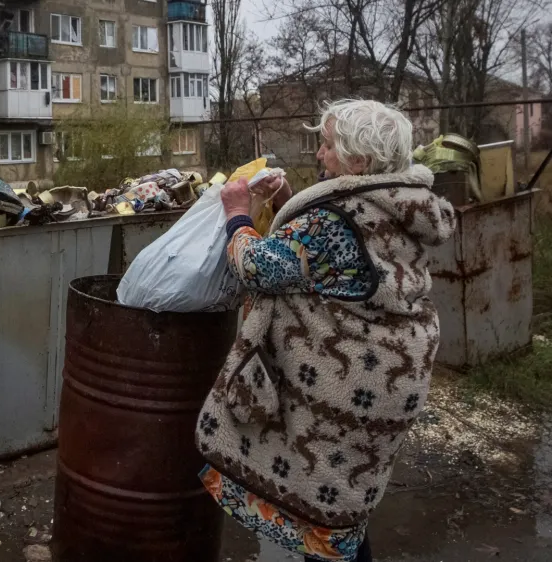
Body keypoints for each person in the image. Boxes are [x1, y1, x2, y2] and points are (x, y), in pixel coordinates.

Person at [195, 99, 457, 562]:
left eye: (327, 144)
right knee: (343, 505)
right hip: (392, 375)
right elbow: (339, 258)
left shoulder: (333, 218)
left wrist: (238, 214)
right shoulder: (400, 202)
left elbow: (259, 268)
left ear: (358, 161)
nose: (319, 153)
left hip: (350, 382)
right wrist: (285, 203)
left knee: (327, 506)